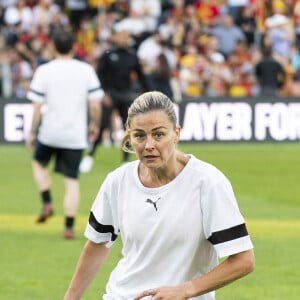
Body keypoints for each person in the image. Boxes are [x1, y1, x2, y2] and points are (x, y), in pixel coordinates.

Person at [64, 91, 255, 299]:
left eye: (158, 134)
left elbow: (244, 260)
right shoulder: (118, 181)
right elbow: (97, 244)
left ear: (176, 134)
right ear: (129, 137)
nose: (149, 145)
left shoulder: (208, 183)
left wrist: (185, 290)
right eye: (139, 136)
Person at [26, 29, 104, 239]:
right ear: (73, 46)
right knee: (71, 181)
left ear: (52, 46)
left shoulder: (44, 70)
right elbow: (95, 105)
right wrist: (94, 125)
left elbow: (36, 106)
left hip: (50, 132)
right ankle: (68, 227)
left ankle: (47, 201)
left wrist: (32, 131)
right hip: (75, 135)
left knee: (37, 164)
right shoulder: (85, 70)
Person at [79, 30, 149, 173]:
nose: (124, 39)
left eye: (126, 36)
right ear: (116, 37)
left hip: (126, 96)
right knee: (102, 125)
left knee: (129, 129)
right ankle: (90, 156)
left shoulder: (132, 56)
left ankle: (125, 161)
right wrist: (103, 93)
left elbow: (142, 78)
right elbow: (99, 76)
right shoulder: (108, 54)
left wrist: (149, 93)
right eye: (121, 36)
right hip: (110, 96)